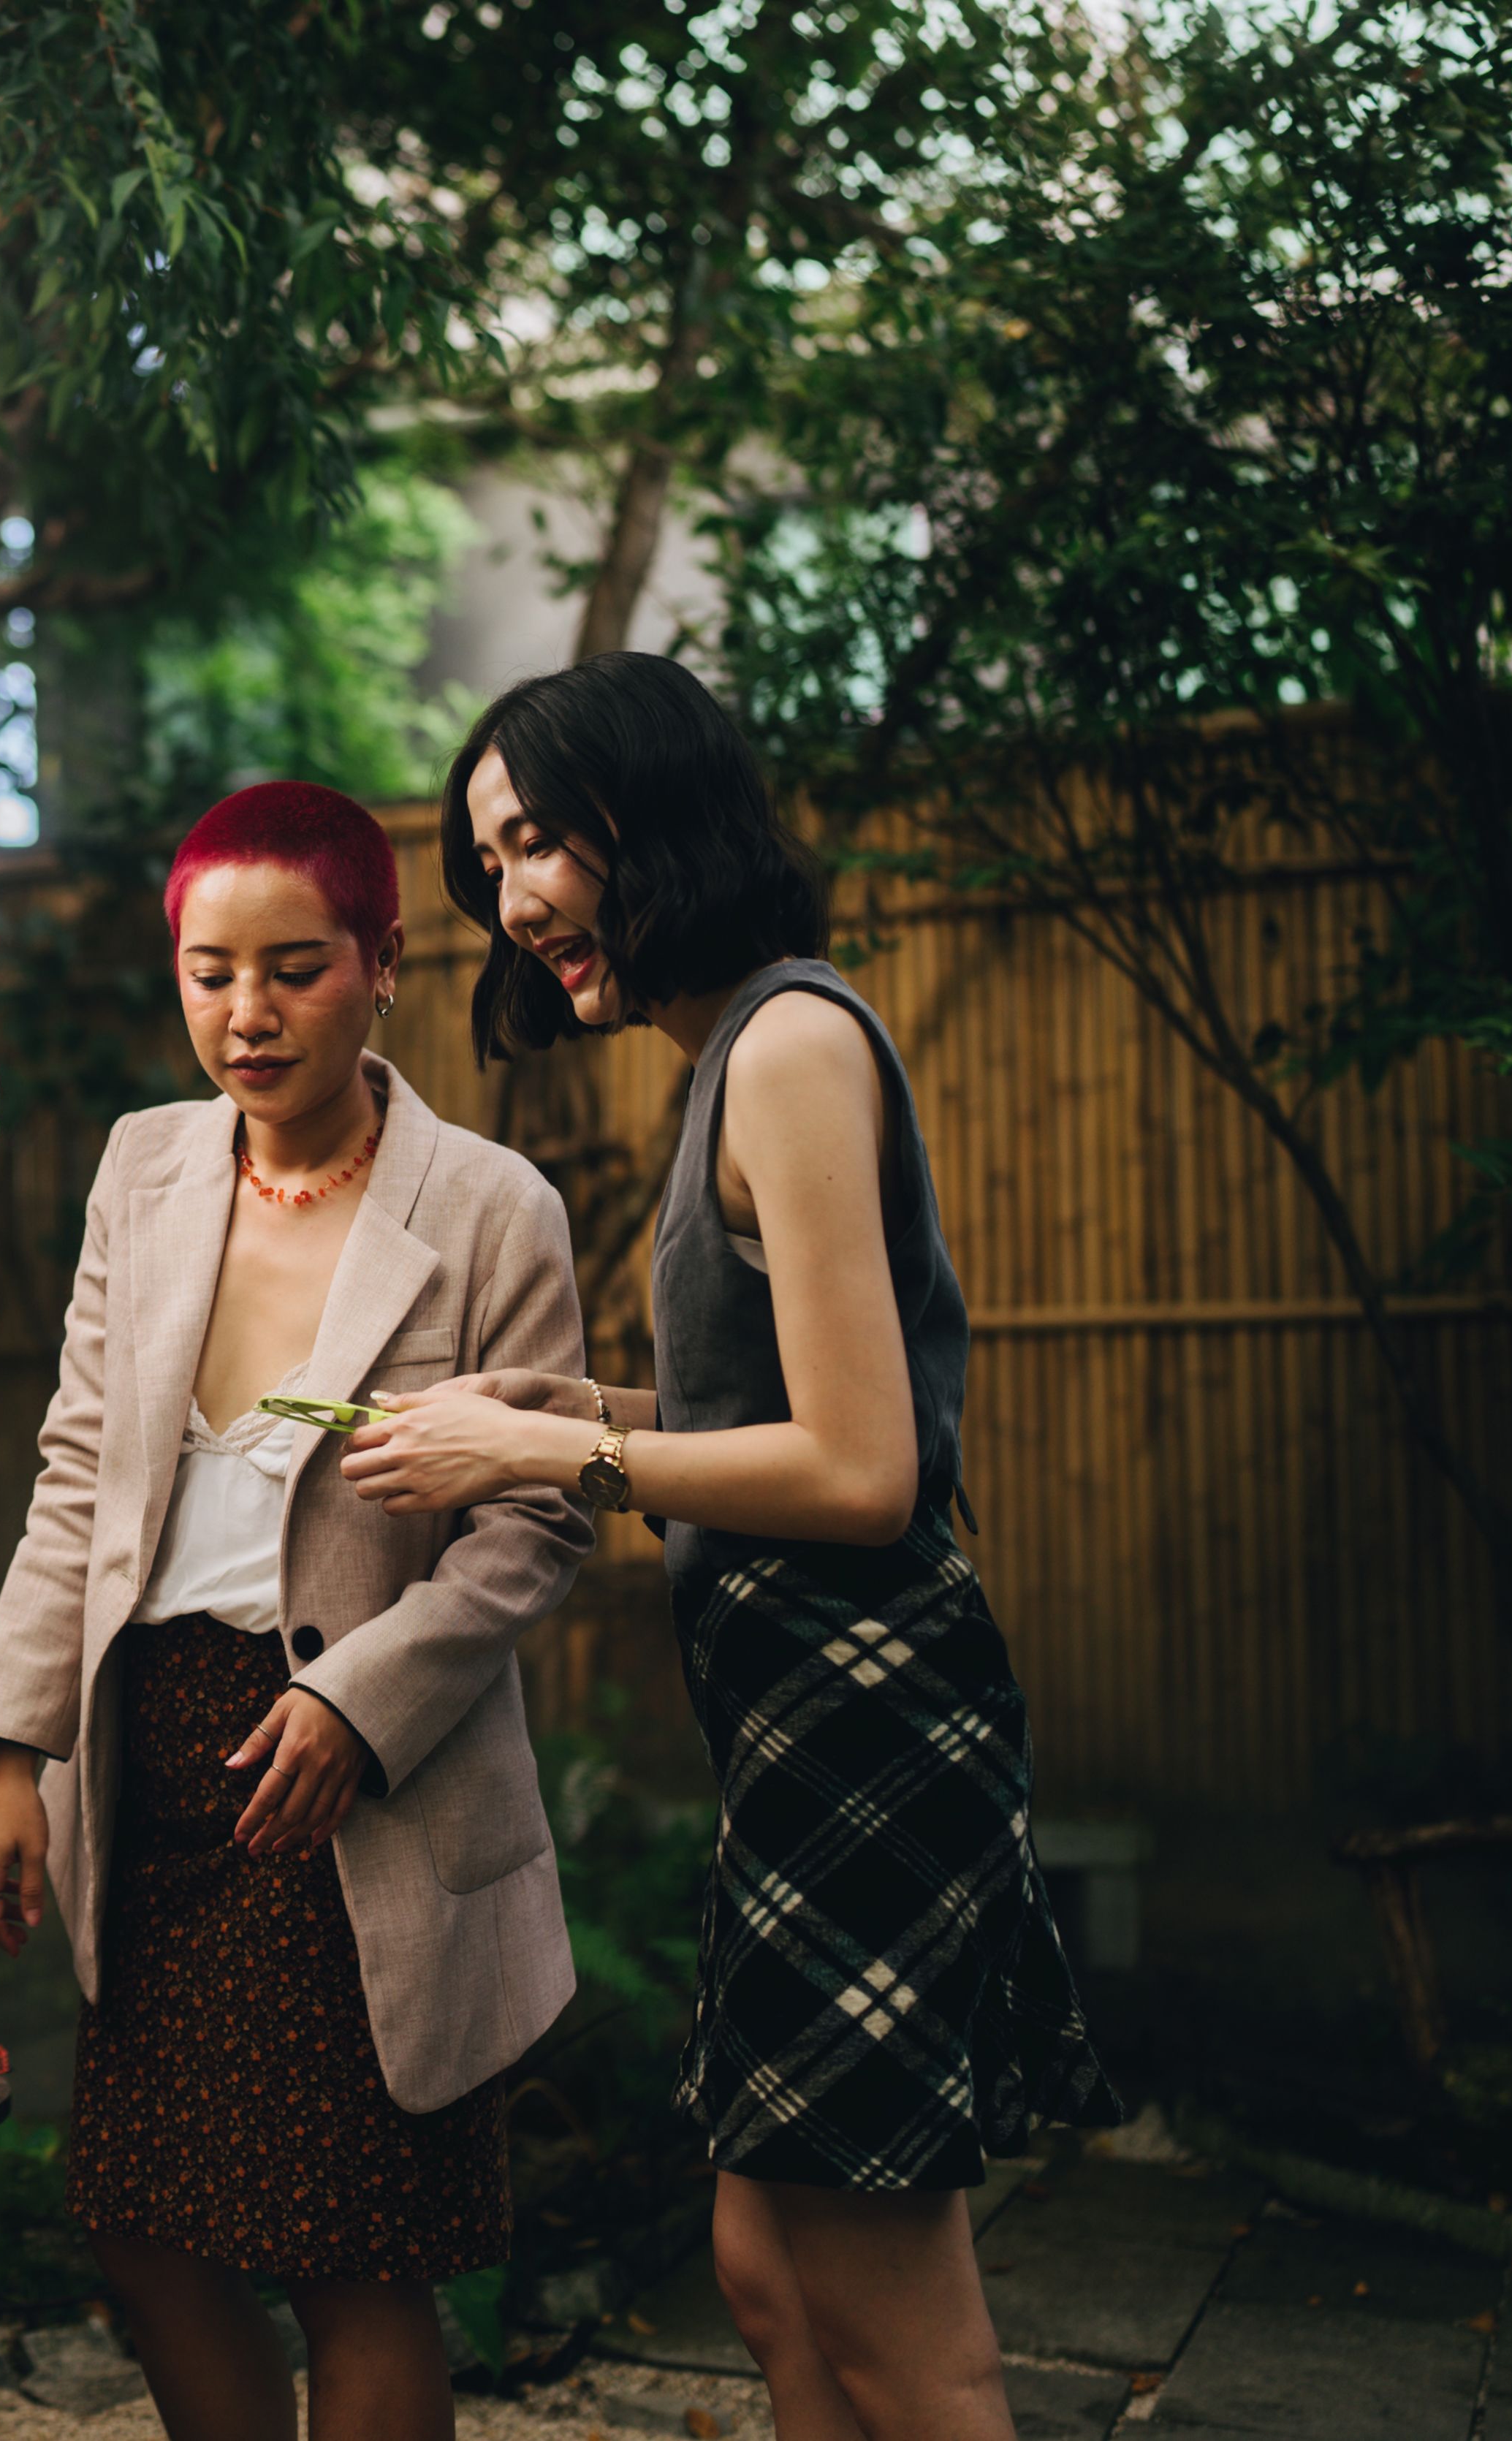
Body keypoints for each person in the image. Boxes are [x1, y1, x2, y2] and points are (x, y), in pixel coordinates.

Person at [344, 656, 1120, 2441]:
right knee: (767, 2270)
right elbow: (784, 1400)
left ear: (655, 807)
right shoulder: (731, 1057)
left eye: (537, 839)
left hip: (870, 1724)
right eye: (491, 862)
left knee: (897, 2319)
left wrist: (557, 1444)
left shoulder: (785, 1043)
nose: (516, 898)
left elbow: (863, 1469)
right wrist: (575, 1390)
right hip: (799, 1734)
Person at [0, 781, 595, 2441]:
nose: (244, 1014)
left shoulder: (487, 1208)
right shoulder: (143, 1171)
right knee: (140, 2222)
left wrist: (357, 1705)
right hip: (151, 1760)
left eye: (293, 967)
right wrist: (13, 1749)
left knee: (355, 2255)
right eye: (207, 970)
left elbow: (537, 1519)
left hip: (350, 1786)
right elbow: (78, 1468)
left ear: (381, 965)